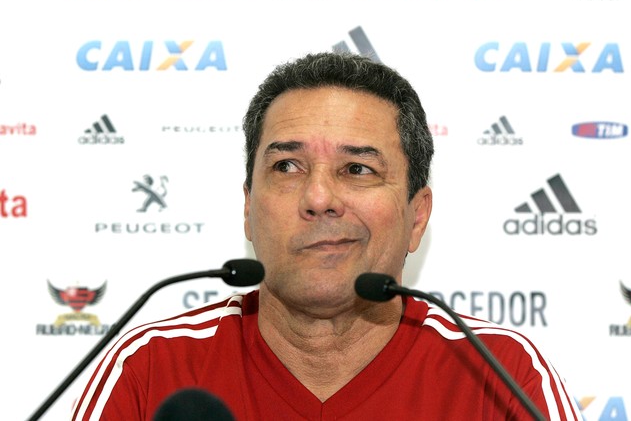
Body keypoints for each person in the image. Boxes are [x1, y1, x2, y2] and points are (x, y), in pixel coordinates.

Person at [71, 52, 581, 420]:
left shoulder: (500, 373)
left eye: (357, 169)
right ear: (248, 208)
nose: (318, 197)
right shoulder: (150, 368)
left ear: (417, 216)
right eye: (288, 166)